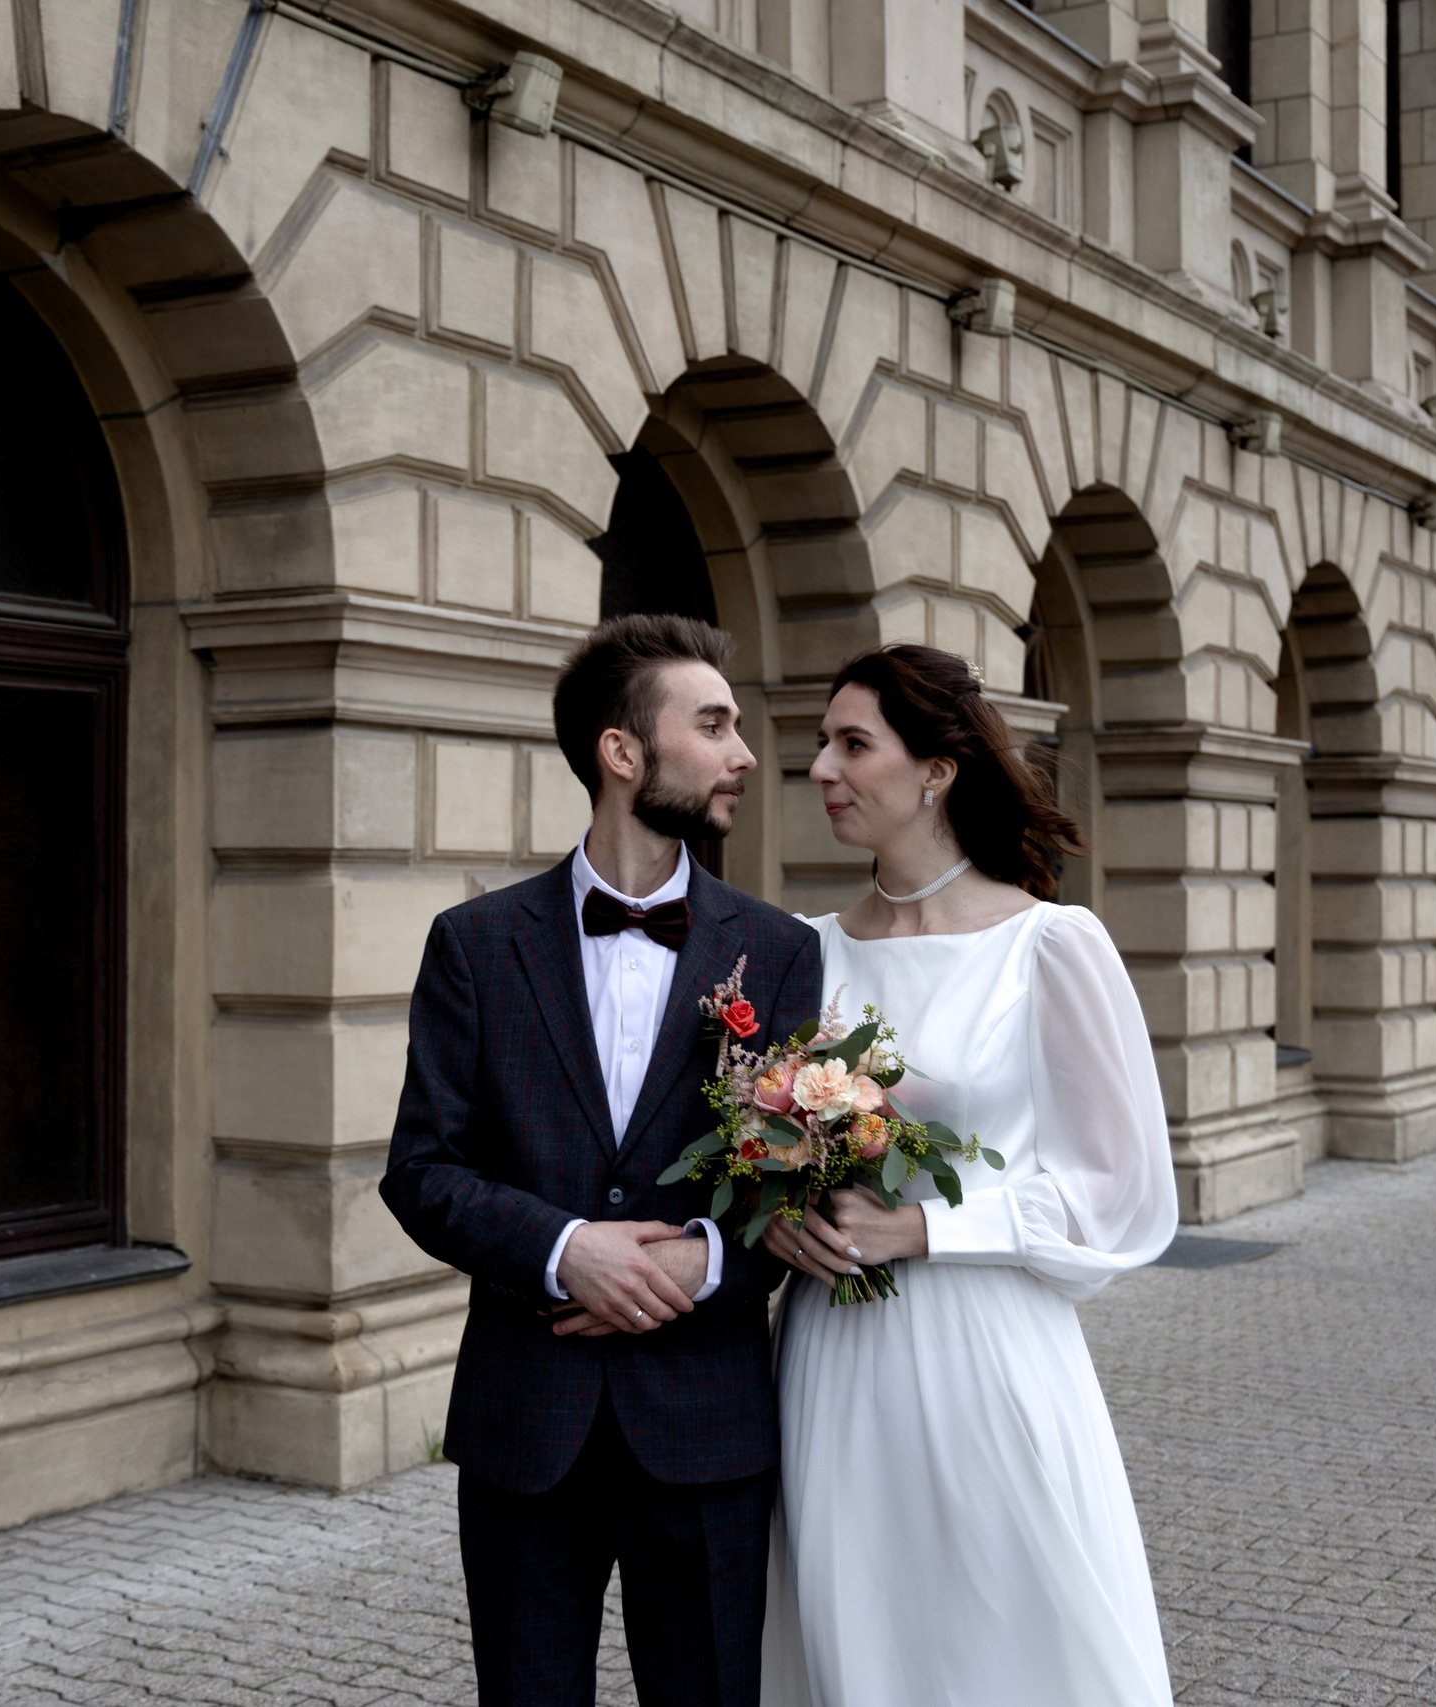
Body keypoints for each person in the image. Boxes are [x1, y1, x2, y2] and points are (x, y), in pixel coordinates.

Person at [382, 614, 823, 1707]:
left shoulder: (777, 950)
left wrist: (707, 1262)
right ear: (622, 753)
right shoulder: (475, 944)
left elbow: (796, 1173)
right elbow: (422, 1169)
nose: (744, 757)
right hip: (526, 1425)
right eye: (713, 726)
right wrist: (564, 1248)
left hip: (708, 1427)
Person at [762, 643, 1179, 1707]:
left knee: (1002, 1628)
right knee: (848, 1626)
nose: (820, 768)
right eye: (820, 744)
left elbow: (1119, 1193)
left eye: (852, 744)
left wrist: (926, 1231)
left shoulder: (1049, 944)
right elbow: (759, 1147)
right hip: (829, 1353)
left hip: (983, 1349)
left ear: (937, 768)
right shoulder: (802, 952)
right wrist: (774, 1214)